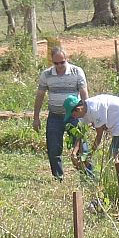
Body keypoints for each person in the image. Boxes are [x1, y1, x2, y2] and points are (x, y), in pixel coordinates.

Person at [33, 46, 89, 179]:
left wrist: (86, 115)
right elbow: (40, 96)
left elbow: (84, 94)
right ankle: (58, 177)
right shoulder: (46, 74)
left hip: (74, 115)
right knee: (53, 147)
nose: (59, 66)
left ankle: (87, 175)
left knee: (81, 145)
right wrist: (36, 117)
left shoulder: (76, 72)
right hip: (55, 116)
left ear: (66, 59)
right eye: (56, 63)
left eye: (62, 62)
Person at [63, 93, 119, 159]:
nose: (74, 117)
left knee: (117, 157)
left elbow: (99, 135)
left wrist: (90, 154)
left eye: (73, 115)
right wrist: (74, 152)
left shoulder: (94, 109)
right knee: (115, 157)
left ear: (78, 109)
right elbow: (80, 134)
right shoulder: (83, 113)